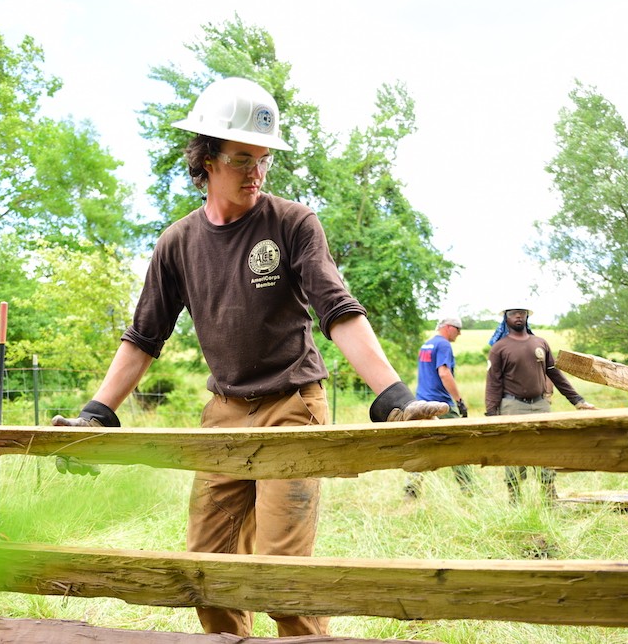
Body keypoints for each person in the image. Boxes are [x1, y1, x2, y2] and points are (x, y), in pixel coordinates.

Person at [51, 77, 448, 637]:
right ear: (206, 159)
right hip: (224, 414)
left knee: (282, 579)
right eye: (242, 159)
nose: (256, 173)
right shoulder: (178, 243)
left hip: (293, 407)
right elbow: (144, 337)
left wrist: (395, 396)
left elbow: (338, 310)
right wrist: (98, 411)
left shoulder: (291, 223)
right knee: (207, 574)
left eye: (263, 160)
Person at [484, 304, 596, 504]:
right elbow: (493, 383)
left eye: (522, 313)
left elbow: (554, 374)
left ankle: (550, 498)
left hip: (541, 405)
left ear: (527, 316)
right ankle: (515, 500)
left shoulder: (540, 343)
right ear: (506, 319)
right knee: (514, 452)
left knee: (546, 449)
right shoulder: (499, 348)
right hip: (512, 406)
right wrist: (492, 415)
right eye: (513, 313)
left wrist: (578, 401)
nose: (518, 316)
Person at [403, 317, 474, 498]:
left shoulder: (427, 345)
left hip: (421, 404)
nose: (459, 334)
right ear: (449, 328)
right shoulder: (443, 345)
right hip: (441, 404)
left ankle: (412, 488)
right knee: (458, 444)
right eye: (458, 330)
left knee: (422, 445)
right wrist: (458, 400)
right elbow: (444, 372)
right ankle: (468, 488)